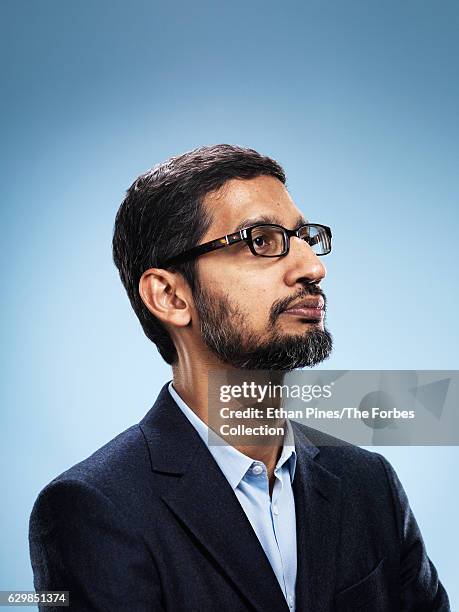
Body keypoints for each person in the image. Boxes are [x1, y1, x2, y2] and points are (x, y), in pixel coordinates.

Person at [29, 144, 450, 611]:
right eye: (262, 241)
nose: (313, 266)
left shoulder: (369, 485)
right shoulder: (93, 510)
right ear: (169, 296)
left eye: (304, 236)